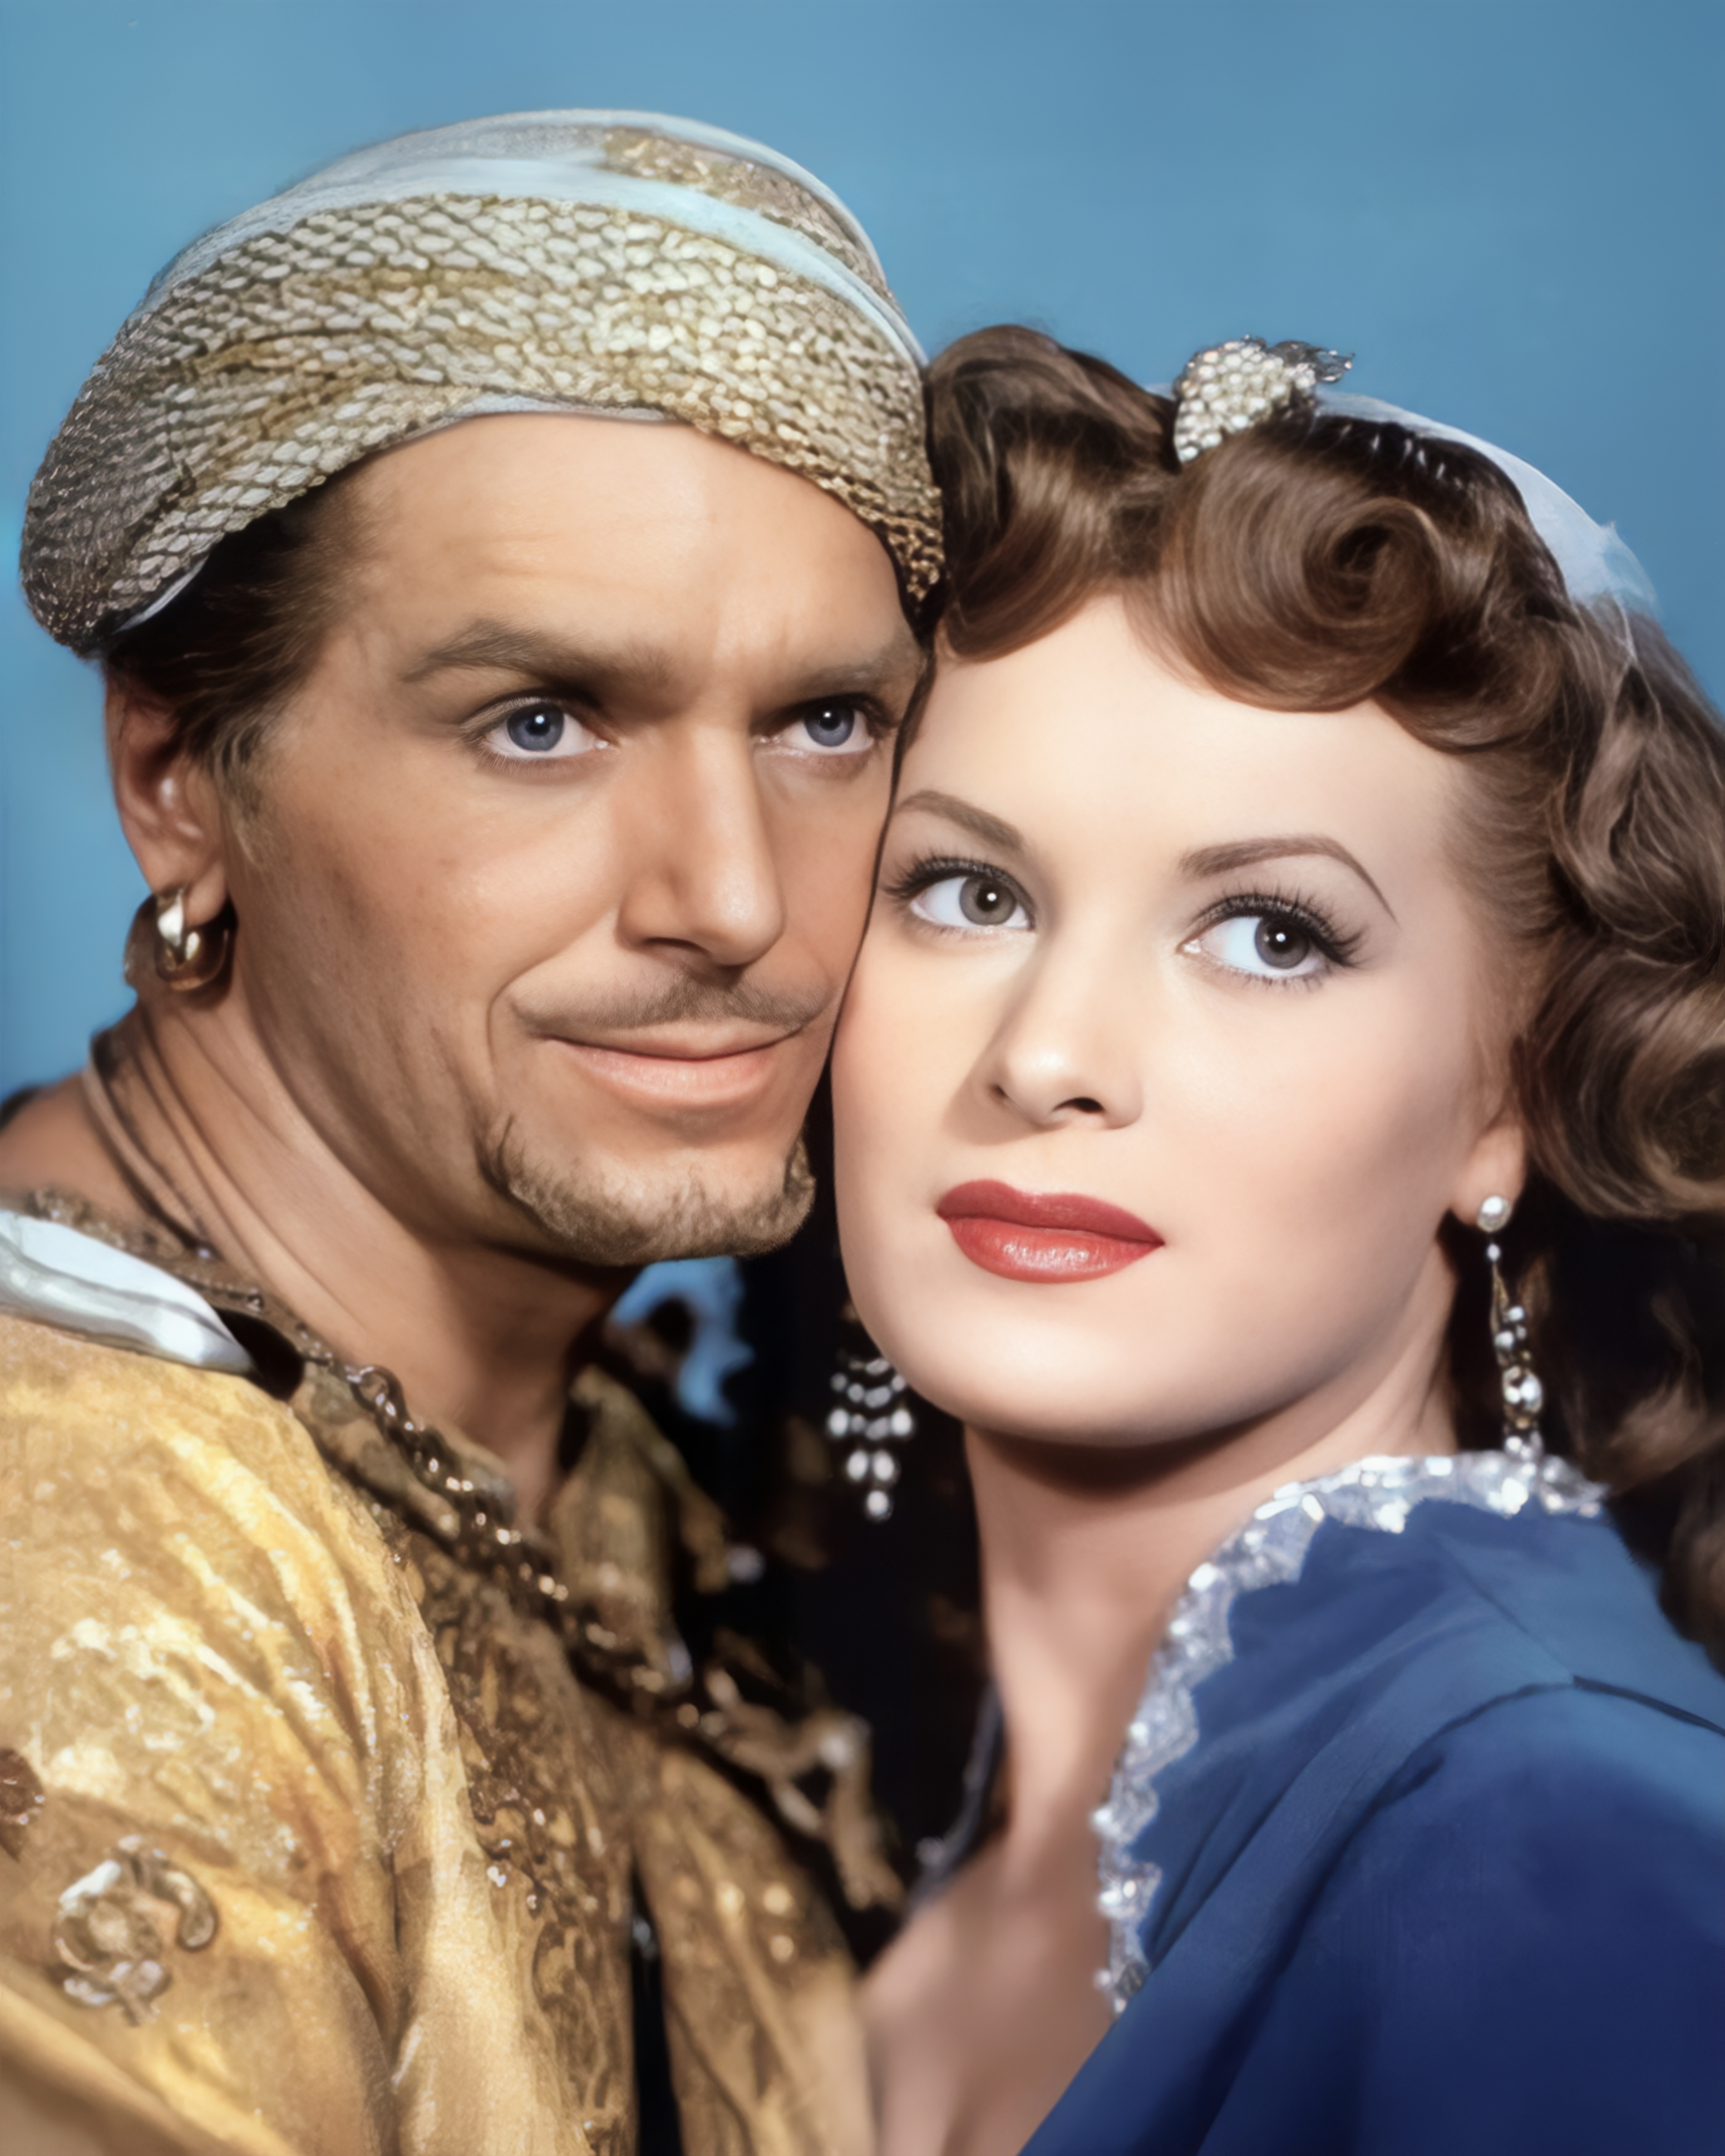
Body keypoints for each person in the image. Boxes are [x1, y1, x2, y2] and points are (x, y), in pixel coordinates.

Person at [0, 111, 940, 2155]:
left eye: (824, 722)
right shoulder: (74, 1571)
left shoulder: (596, 1432)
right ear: (178, 778)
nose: (734, 901)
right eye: (540, 722)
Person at [832, 328, 1725, 2154]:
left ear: (1513, 1092)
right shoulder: (872, 1777)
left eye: (1268, 934)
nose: (1047, 1057)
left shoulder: (1555, 1840)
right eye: (966, 891)